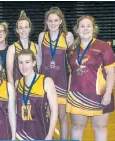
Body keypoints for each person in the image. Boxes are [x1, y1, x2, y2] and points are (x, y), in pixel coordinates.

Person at [66, 15, 115, 141]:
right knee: (77, 127)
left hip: (99, 95)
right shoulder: (71, 49)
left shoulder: (103, 47)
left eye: (88, 26)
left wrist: (108, 94)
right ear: (77, 29)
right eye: (82, 26)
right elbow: (71, 73)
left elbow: (111, 72)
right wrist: (68, 93)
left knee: (100, 127)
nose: (85, 29)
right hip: (76, 95)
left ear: (93, 28)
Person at [37, 7, 74, 139]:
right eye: (50, 20)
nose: (53, 23)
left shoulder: (67, 36)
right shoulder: (42, 36)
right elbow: (39, 60)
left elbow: (71, 62)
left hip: (61, 81)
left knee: (62, 117)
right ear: (46, 22)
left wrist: (71, 84)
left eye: (55, 20)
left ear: (60, 21)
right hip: (45, 81)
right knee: (46, 115)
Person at [15, 49, 58, 140]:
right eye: (21, 62)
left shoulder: (46, 81)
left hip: (41, 133)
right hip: (20, 134)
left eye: (27, 62)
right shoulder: (17, 83)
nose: (24, 66)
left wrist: (50, 135)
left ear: (34, 63)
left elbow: (54, 111)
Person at [6, 10, 38, 86]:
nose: (23, 30)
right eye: (20, 28)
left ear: (29, 29)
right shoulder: (12, 48)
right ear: (17, 30)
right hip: (18, 86)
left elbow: (38, 69)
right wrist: (12, 90)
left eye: (26, 27)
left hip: (33, 86)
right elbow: (9, 72)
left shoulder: (36, 47)